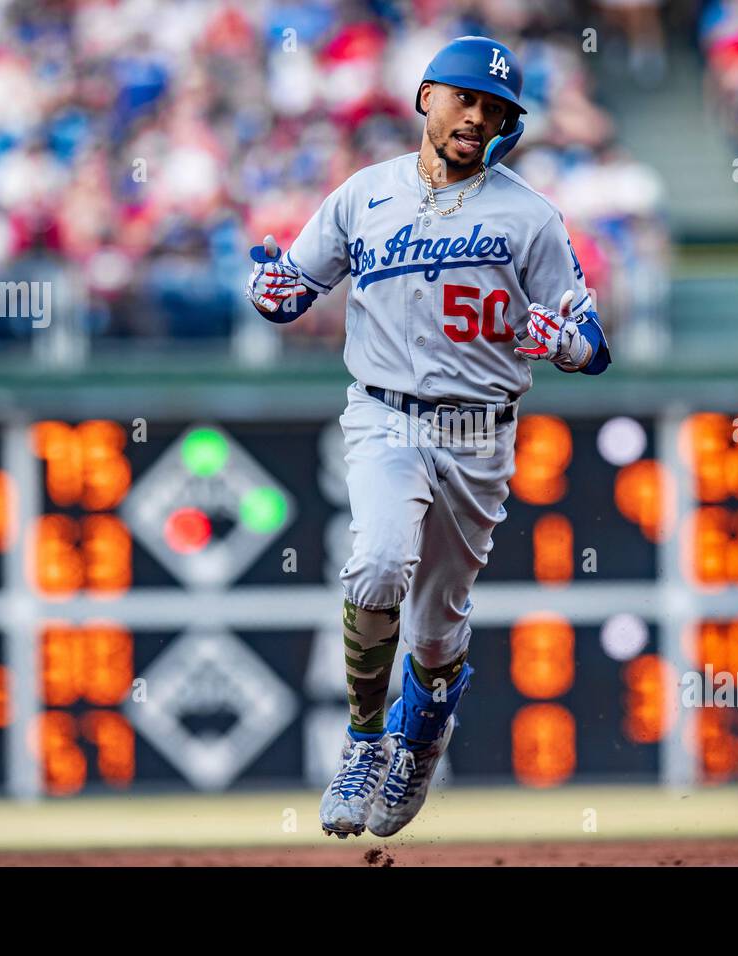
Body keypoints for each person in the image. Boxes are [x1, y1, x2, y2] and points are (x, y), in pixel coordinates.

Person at [244, 36, 611, 838]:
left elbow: (594, 347)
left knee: (437, 623)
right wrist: (271, 293)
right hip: (384, 414)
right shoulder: (363, 194)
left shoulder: (529, 215)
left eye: (495, 109)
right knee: (376, 563)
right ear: (425, 98)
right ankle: (367, 741)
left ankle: (422, 735)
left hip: (481, 430)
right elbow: (291, 289)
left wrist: (566, 345)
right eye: (464, 98)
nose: (477, 117)